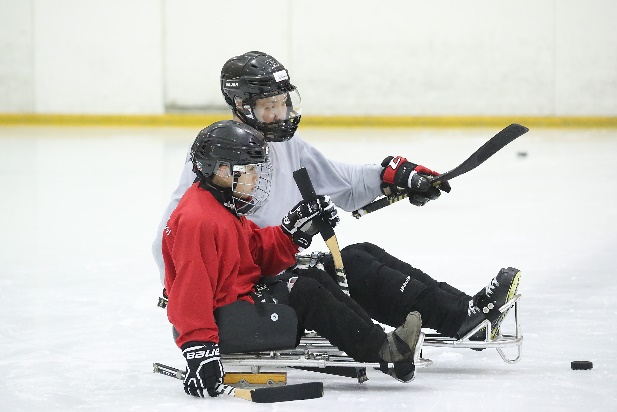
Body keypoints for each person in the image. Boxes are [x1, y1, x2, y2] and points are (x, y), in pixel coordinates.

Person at [153, 50, 521, 345]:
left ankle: (466, 313)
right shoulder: (218, 158)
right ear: (241, 105)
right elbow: (171, 237)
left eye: (282, 102)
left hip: (273, 259)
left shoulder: (286, 145)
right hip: (247, 285)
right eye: (268, 106)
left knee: (362, 255)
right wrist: (186, 297)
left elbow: (342, 184)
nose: (279, 113)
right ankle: (452, 322)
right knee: (357, 267)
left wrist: (392, 176)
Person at [163, 120, 423, 397]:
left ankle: (382, 343)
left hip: (235, 305)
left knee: (311, 276)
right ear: (223, 171)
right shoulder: (199, 220)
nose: (256, 176)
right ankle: (386, 353)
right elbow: (191, 292)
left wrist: (291, 232)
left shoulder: (219, 203)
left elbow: (252, 251)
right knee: (306, 292)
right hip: (222, 324)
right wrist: (200, 351)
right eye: (249, 169)